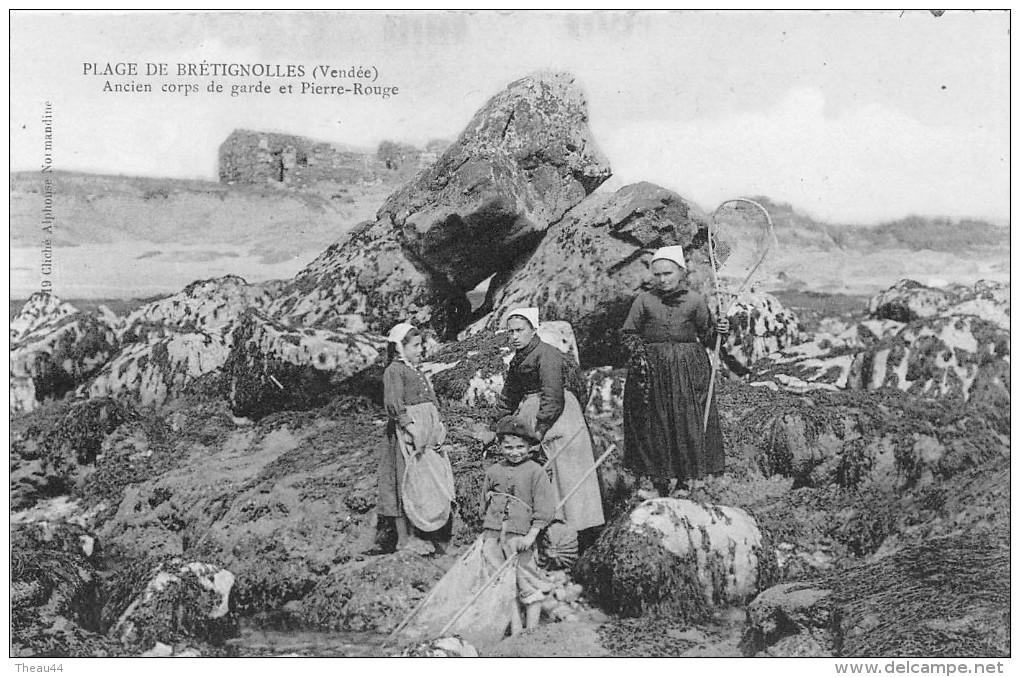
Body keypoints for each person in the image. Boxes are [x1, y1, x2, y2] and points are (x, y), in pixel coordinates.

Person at [621, 245, 730, 499]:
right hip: (652, 370)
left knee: (684, 422)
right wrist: (640, 356)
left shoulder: (695, 301)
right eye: (657, 274)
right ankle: (657, 481)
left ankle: (684, 481)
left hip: (687, 370)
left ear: (681, 272)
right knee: (654, 423)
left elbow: (709, 336)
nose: (662, 279)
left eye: (668, 273)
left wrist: (722, 329)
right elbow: (628, 333)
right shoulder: (644, 301)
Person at [496, 308, 605, 537]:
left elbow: (553, 394)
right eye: (511, 331)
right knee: (545, 470)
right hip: (533, 409)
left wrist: (540, 429)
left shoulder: (548, 354)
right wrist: (494, 424)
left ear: (533, 330)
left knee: (566, 467)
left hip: (559, 415)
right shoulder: (518, 360)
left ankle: (579, 529)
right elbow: (509, 395)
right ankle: (550, 526)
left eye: (520, 330)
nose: (514, 336)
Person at [480, 416, 558, 633]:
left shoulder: (536, 472)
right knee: (502, 581)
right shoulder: (494, 471)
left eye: (520, 447)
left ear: (529, 447)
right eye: (509, 447)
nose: (514, 452)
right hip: (494, 535)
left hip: (520, 536)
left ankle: (531, 631)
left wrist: (531, 536)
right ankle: (515, 629)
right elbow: (483, 505)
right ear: (500, 446)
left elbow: (544, 509)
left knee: (526, 579)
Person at [379, 322, 447, 555]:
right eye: (415, 346)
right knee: (402, 481)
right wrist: (412, 429)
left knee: (422, 482)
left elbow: (431, 400)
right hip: (405, 434)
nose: (420, 350)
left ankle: (422, 533)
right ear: (400, 347)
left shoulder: (416, 370)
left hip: (425, 430)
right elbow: (394, 405)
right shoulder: (394, 371)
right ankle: (404, 539)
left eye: (421, 345)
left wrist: (438, 425)